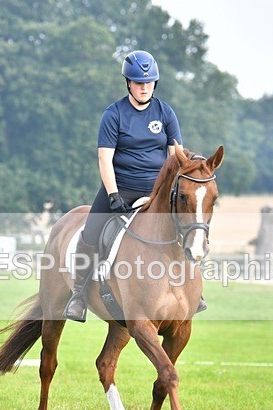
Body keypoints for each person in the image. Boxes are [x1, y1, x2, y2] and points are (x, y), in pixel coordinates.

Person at [63, 50, 206, 322]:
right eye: (139, 82)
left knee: (186, 227)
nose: (144, 87)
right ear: (128, 83)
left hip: (157, 191)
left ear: (155, 83)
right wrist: (113, 194)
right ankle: (78, 294)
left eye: (149, 82)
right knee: (90, 233)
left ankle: (192, 293)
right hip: (121, 188)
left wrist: (172, 189)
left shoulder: (165, 113)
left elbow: (176, 156)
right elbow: (105, 158)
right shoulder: (114, 114)